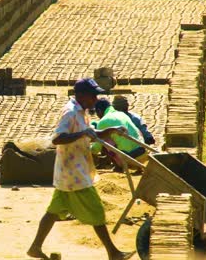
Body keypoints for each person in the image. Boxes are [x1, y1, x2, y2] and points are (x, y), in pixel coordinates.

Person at [27, 78, 135, 260]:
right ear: (82, 95)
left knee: (54, 211)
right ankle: (113, 253)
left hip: (74, 171)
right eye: (93, 95)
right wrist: (82, 134)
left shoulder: (82, 112)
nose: (95, 99)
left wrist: (112, 130)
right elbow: (57, 139)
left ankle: (35, 247)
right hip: (73, 173)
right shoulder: (70, 113)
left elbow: (90, 136)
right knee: (97, 211)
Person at [93, 98, 146, 171]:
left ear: (99, 111)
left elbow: (96, 148)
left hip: (128, 157)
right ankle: (138, 168)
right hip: (143, 153)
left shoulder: (102, 122)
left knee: (105, 138)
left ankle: (119, 167)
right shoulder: (121, 114)